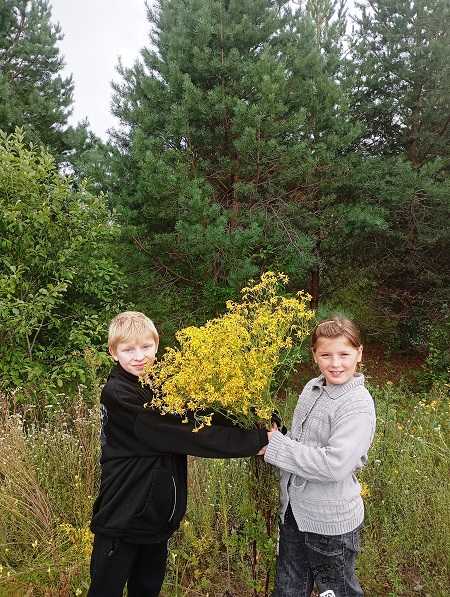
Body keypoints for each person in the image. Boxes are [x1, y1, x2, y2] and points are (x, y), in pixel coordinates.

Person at [88, 311, 268, 597]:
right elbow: (182, 432)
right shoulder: (119, 393)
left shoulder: (164, 384)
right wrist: (253, 441)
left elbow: (202, 413)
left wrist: (257, 421)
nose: (139, 356)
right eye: (128, 349)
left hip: (155, 519)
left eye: (145, 347)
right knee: (104, 591)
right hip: (121, 517)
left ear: (156, 345)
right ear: (113, 353)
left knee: (146, 589)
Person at [262, 316, 376, 597]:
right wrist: (278, 437)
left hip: (330, 525)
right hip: (294, 513)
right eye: (326, 355)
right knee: (289, 588)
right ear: (314, 355)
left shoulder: (357, 405)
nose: (335, 363)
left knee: (335, 592)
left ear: (359, 354)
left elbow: (333, 465)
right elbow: (301, 444)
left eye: (344, 354)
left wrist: (274, 447)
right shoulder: (312, 388)